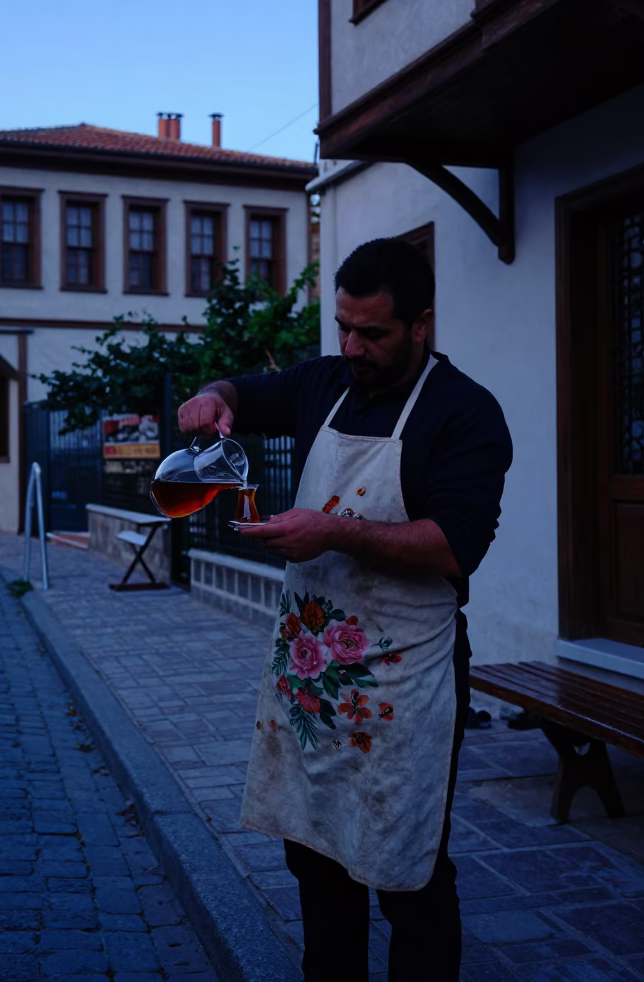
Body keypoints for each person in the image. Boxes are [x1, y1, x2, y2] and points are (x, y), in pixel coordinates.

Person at [178, 238, 512, 981]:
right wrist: (213, 397)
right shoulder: (323, 383)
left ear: (421, 324)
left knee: (409, 871)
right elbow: (241, 393)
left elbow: (455, 546)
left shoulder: (465, 414)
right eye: (343, 328)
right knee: (316, 856)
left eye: (373, 333)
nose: (353, 347)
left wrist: (329, 529)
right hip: (313, 683)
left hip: (405, 688)